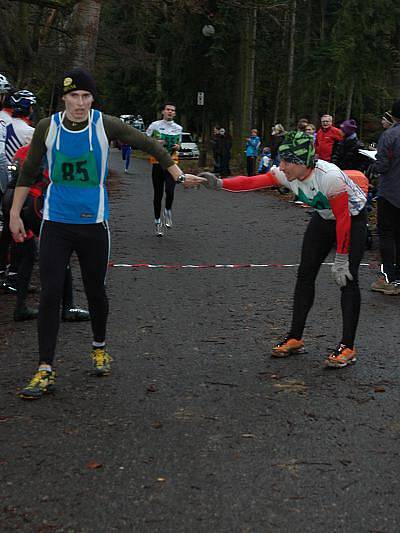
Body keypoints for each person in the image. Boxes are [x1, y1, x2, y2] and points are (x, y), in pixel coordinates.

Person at [9, 68, 205, 399]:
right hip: (56, 221)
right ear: (64, 99)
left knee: (95, 290)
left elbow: (150, 144)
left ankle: (99, 347)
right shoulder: (47, 127)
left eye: (86, 97)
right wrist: (15, 212)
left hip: (93, 224)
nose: (80, 103)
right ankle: (45, 368)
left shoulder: (104, 124)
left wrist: (178, 175)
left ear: (92, 99)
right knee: (49, 293)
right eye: (74, 96)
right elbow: (28, 172)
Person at [200, 131, 368, 368]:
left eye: (287, 161)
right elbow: (252, 182)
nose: (282, 166)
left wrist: (341, 257)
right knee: (305, 274)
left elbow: (343, 219)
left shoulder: (329, 177)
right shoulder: (287, 174)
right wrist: (219, 183)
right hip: (323, 218)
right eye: (281, 160)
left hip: (352, 220)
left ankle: (348, 346)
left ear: (302, 161)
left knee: (347, 279)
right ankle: (295, 337)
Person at [370, 100, 400, 295]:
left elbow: (382, 165)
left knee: (387, 234)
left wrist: (372, 166)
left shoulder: (389, 135)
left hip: (391, 192)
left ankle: (389, 279)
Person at [146, 102, 183, 236]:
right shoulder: (155, 125)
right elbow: (145, 140)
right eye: (168, 109)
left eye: (172, 110)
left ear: (175, 113)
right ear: (163, 112)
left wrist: (178, 147)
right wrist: (156, 143)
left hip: (172, 163)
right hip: (157, 162)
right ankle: (157, 223)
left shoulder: (178, 128)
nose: (170, 112)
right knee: (158, 194)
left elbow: (179, 144)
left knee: (170, 190)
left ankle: (168, 210)